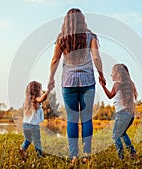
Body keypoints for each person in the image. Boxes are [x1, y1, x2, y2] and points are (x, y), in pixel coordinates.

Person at [47, 8, 106, 163]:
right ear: (82, 20)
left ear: (66, 22)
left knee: (72, 119)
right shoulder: (90, 37)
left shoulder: (62, 39)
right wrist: (101, 74)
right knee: (86, 119)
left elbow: (54, 60)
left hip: (68, 83)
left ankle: (74, 156)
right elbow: (96, 57)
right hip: (87, 82)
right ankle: (86, 156)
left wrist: (50, 79)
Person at [99, 63, 137, 160]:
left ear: (117, 73)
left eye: (112, 72)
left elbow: (110, 95)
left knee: (115, 136)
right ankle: (132, 153)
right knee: (122, 133)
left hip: (122, 114)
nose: (111, 75)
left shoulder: (118, 83)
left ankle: (121, 157)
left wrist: (103, 86)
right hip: (131, 115)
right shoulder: (130, 84)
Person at [19, 81, 50, 162]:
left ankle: (23, 148)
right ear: (37, 91)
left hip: (25, 125)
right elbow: (42, 98)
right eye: (40, 89)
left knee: (28, 139)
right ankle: (39, 156)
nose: (41, 91)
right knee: (37, 142)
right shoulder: (36, 99)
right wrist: (48, 91)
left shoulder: (27, 101)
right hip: (33, 126)